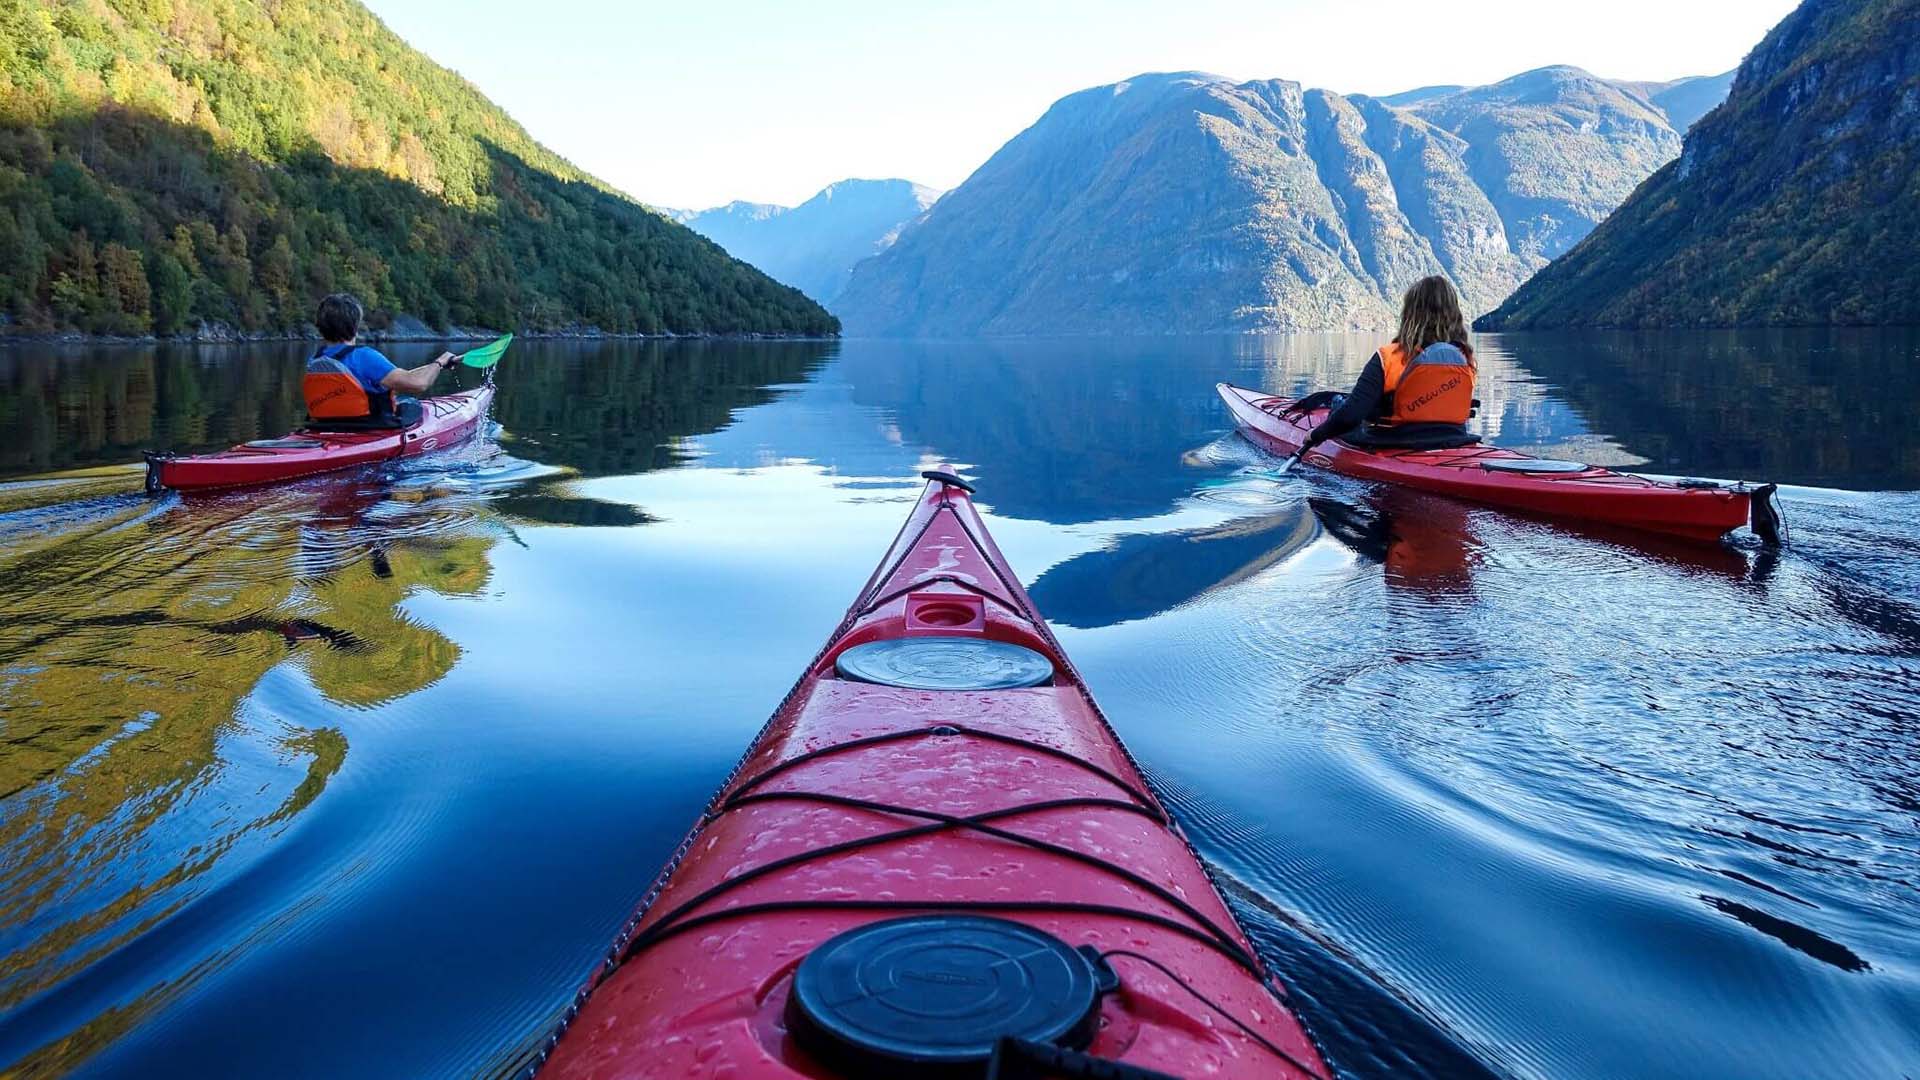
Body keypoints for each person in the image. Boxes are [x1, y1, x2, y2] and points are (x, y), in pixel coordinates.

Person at [1295, 276, 1479, 454]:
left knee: (1340, 406)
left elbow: (1351, 417)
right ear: (1455, 315)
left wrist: (1316, 434)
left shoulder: (1389, 357)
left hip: (1393, 441)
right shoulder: (1465, 359)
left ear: (1410, 314)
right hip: (1454, 439)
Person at [302, 293, 458, 428]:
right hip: (369, 428)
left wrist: (435, 368)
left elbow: (387, 382)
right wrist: (440, 361)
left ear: (321, 325)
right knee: (412, 405)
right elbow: (419, 384)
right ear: (355, 325)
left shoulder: (315, 360)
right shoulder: (364, 357)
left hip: (324, 428)